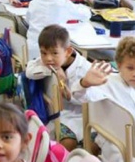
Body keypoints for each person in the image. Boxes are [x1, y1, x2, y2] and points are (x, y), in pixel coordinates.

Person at [25, 24, 100, 152]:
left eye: (55, 53)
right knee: (67, 144)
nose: (48, 58)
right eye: (43, 53)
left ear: (68, 52)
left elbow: (90, 101)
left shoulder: (84, 69)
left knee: (88, 148)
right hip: (59, 115)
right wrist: (54, 71)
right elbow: (29, 71)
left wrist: (69, 95)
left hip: (81, 116)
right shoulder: (49, 63)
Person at [26, 0, 91, 59]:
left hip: (31, 53)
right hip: (52, 56)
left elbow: (28, 21)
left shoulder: (33, 2)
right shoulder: (64, 4)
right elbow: (86, 14)